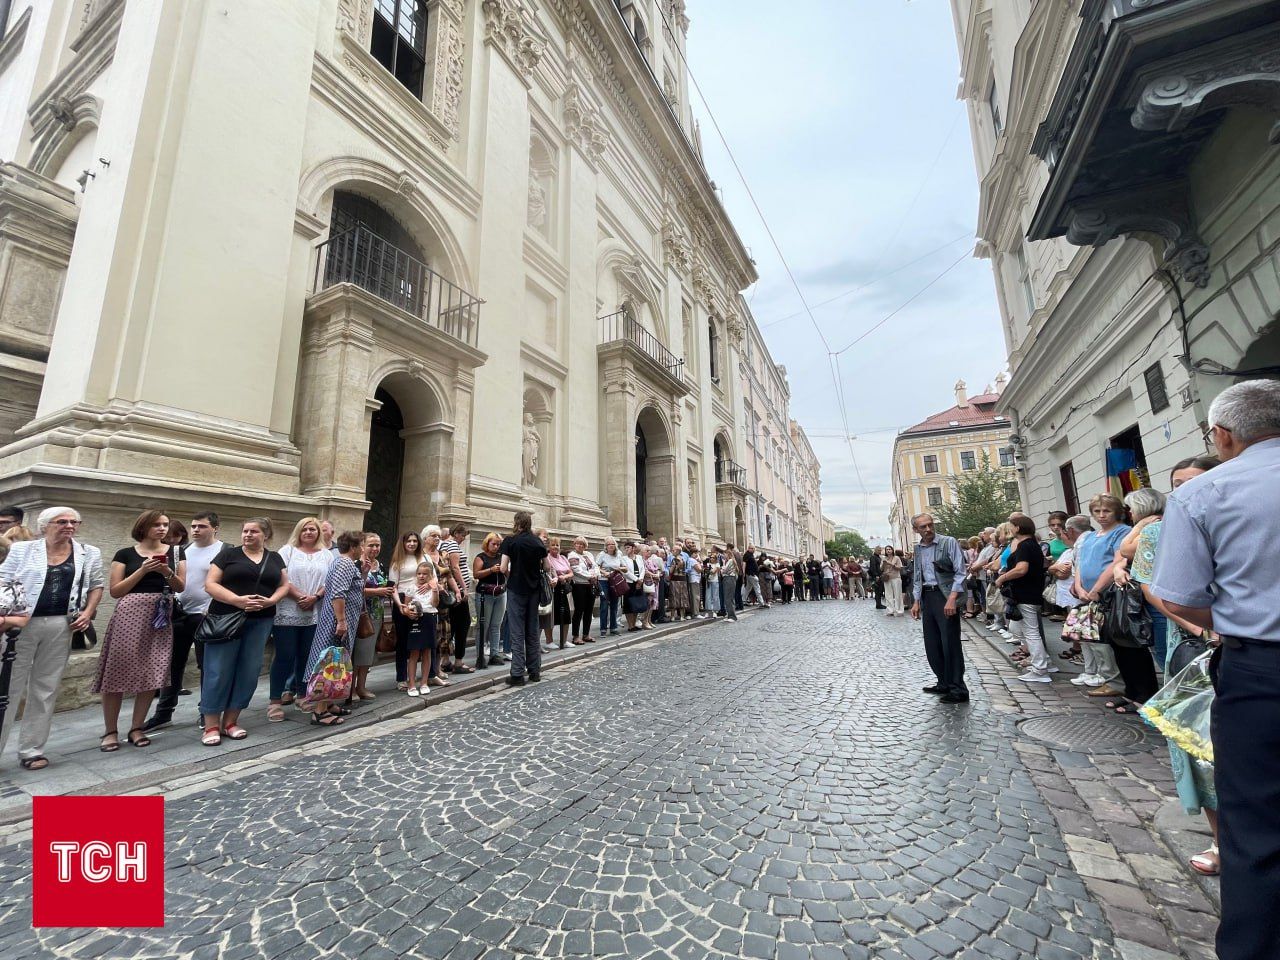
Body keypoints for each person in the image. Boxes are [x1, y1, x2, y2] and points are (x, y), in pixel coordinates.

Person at [1150, 381, 1280, 960]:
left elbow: (1176, 596)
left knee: (1254, 828)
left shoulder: (1204, 492)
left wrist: (1231, 619)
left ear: (1223, 436)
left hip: (1261, 672)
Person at [1126, 456, 1221, 875]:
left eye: (1194, 483)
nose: (1184, 492)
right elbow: (1151, 588)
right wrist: (1202, 630)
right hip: (1190, 644)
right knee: (1201, 743)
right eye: (1177, 485)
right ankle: (1222, 840)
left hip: (1247, 641)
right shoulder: (1158, 532)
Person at [0, 507, 104, 769]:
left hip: (62, 624)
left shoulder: (88, 552)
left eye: (74, 522)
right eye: (62, 521)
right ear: (45, 525)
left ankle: (32, 750)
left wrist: (89, 613)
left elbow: (96, 585)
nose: (69, 526)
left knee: (45, 687)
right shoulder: (23, 549)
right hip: (20, 625)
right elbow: (3, 580)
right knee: (7, 687)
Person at [96, 510, 186, 751]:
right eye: (156, 524)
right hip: (130, 612)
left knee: (153, 669)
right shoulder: (125, 553)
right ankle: (110, 730)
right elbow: (116, 590)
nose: (162, 528)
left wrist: (166, 571)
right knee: (117, 669)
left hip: (161, 613)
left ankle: (137, 727)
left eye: (165, 524)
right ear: (143, 527)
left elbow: (180, 586)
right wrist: (143, 570)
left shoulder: (176, 552)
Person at [201, 518, 288, 744]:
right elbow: (210, 584)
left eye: (254, 531)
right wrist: (237, 600)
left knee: (249, 670)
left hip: (260, 621)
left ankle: (230, 721)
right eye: (245, 531)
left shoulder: (275, 557)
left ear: (265, 535)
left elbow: (284, 585)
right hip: (226, 618)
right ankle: (211, 725)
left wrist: (271, 601)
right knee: (218, 669)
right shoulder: (228, 555)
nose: (248, 535)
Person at [146, 511, 224, 732]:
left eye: (202, 526)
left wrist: (215, 606)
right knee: (173, 664)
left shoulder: (224, 550)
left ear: (215, 528)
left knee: (206, 665)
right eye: (193, 526)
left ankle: (206, 711)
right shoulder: (181, 550)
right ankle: (163, 712)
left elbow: (228, 582)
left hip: (207, 615)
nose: (196, 530)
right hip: (179, 613)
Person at [268, 517, 331, 721]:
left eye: (313, 529)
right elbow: (280, 577)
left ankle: (303, 695)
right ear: (298, 531)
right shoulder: (287, 551)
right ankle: (275, 701)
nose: (309, 532)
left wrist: (315, 597)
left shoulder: (326, 555)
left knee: (308, 656)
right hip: (288, 610)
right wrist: (299, 597)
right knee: (284, 656)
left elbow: (329, 580)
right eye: (305, 529)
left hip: (314, 612)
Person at [302, 530, 366, 724]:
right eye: (361, 545)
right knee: (329, 663)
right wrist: (341, 620)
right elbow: (338, 594)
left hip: (341, 621)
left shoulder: (346, 563)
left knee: (336, 663)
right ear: (354, 547)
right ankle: (320, 711)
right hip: (335, 623)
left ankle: (329, 704)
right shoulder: (344, 563)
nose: (362, 549)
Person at [1071, 494, 1131, 698]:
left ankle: (1117, 681)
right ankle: (1109, 678)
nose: (1102, 515)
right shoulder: (1088, 536)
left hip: (1109, 594)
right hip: (1087, 595)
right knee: (1092, 638)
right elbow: (1081, 563)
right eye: (1097, 511)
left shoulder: (1122, 532)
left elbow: (1116, 562)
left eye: (1107, 511)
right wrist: (1078, 586)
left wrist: (1097, 588)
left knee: (1107, 639)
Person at [909, 513, 968, 703]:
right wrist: (916, 600)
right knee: (932, 643)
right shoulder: (918, 548)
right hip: (928, 596)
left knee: (950, 642)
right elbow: (918, 575)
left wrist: (952, 599)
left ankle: (958, 688)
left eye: (930, 525)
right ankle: (943, 681)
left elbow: (960, 572)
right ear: (915, 530)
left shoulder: (948, 542)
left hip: (945, 595)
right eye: (923, 527)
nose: (928, 529)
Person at [995, 515, 1050, 683]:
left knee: (1031, 632)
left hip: (1026, 593)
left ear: (1017, 528)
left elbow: (1021, 569)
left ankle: (1040, 669)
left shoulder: (1026, 546)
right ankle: (1043, 661)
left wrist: (1003, 578)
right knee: (1019, 629)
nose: (1009, 529)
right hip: (1027, 593)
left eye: (1011, 526)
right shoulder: (1030, 545)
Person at [500, 511, 548, 686]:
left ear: (516, 523)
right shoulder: (537, 542)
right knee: (532, 630)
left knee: (517, 632)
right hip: (534, 590)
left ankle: (517, 673)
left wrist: (512, 575)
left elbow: (503, 567)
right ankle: (535, 671)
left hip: (516, 589)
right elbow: (547, 566)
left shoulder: (510, 541)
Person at [387, 531, 426, 688]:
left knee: (419, 640)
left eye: (415, 541)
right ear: (403, 543)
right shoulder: (397, 561)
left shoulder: (423, 557)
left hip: (421, 600)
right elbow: (392, 586)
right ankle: (401, 677)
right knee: (403, 641)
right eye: (408, 541)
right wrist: (400, 605)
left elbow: (432, 576)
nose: (412, 544)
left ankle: (417, 675)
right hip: (403, 601)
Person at [397, 562, 438, 697]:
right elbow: (406, 605)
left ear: (430, 575)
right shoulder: (411, 587)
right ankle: (412, 684)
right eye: (419, 573)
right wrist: (408, 610)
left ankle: (424, 682)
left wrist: (435, 589)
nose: (421, 576)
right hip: (415, 619)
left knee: (427, 652)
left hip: (429, 617)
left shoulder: (433, 587)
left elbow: (434, 603)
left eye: (425, 574)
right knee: (414, 653)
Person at [440, 523, 473, 675]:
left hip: (453, 591)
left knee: (451, 626)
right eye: (463, 536)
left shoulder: (446, 544)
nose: (463, 539)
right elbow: (455, 568)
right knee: (462, 624)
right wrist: (463, 588)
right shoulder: (452, 544)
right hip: (456, 592)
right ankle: (458, 661)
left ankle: (446, 660)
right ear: (458, 533)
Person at [472, 533, 507, 666]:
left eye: (498, 544)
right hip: (484, 594)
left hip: (500, 593)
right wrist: (491, 570)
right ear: (487, 544)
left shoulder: (501, 557)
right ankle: (480, 656)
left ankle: (495, 654)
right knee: (483, 625)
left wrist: (504, 569)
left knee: (496, 625)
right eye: (494, 544)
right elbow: (476, 574)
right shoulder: (481, 557)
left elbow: (508, 573)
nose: (496, 547)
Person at [546, 537, 573, 647]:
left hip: (562, 588)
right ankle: (549, 641)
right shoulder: (547, 558)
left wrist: (564, 576)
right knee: (551, 615)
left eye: (557, 545)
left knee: (566, 614)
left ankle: (564, 640)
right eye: (553, 545)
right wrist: (558, 577)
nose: (555, 547)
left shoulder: (563, 558)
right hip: (552, 588)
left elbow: (571, 573)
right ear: (549, 547)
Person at [595, 537, 624, 636]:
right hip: (604, 580)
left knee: (614, 604)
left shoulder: (618, 555)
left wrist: (619, 568)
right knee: (604, 603)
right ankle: (603, 628)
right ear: (606, 546)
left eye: (612, 544)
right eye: (608, 544)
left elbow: (625, 568)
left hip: (615, 581)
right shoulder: (602, 555)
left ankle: (613, 627)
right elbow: (596, 566)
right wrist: (604, 572)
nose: (610, 546)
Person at [621, 541, 648, 631]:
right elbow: (626, 572)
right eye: (625, 548)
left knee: (637, 603)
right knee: (629, 604)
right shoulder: (623, 559)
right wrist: (636, 580)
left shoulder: (639, 558)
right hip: (629, 582)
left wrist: (640, 579)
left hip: (639, 582)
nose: (626, 550)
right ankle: (630, 625)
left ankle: (634, 623)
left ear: (633, 548)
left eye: (628, 547)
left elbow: (643, 569)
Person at [719, 545, 740, 622]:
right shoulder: (728, 561)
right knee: (728, 597)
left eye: (724, 554)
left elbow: (724, 570)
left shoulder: (730, 561)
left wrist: (721, 568)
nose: (723, 556)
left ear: (728, 554)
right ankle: (729, 615)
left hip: (729, 579)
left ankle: (732, 616)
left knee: (729, 598)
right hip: (728, 579)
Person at [881, 547, 904, 617]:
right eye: (887, 550)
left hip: (896, 577)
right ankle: (890, 610)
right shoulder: (883, 559)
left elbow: (900, 568)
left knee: (897, 594)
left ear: (892, 550)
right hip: (887, 578)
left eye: (889, 549)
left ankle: (899, 610)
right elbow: (881, 569)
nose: (888, 551)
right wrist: (883, 564)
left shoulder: (896, 558)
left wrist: (890, 563)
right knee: (888, 595)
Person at [684, 541, 703, 619]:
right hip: (694, 579)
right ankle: (696, 613)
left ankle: (694, 612)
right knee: (696, 596)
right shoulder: (692, 560)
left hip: (694, 579)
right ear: (693, 553)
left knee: (694, 596)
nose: (697, 555)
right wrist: (701, 565)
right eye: (696, 553)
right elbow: (699, 569)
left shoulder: (690, 560)